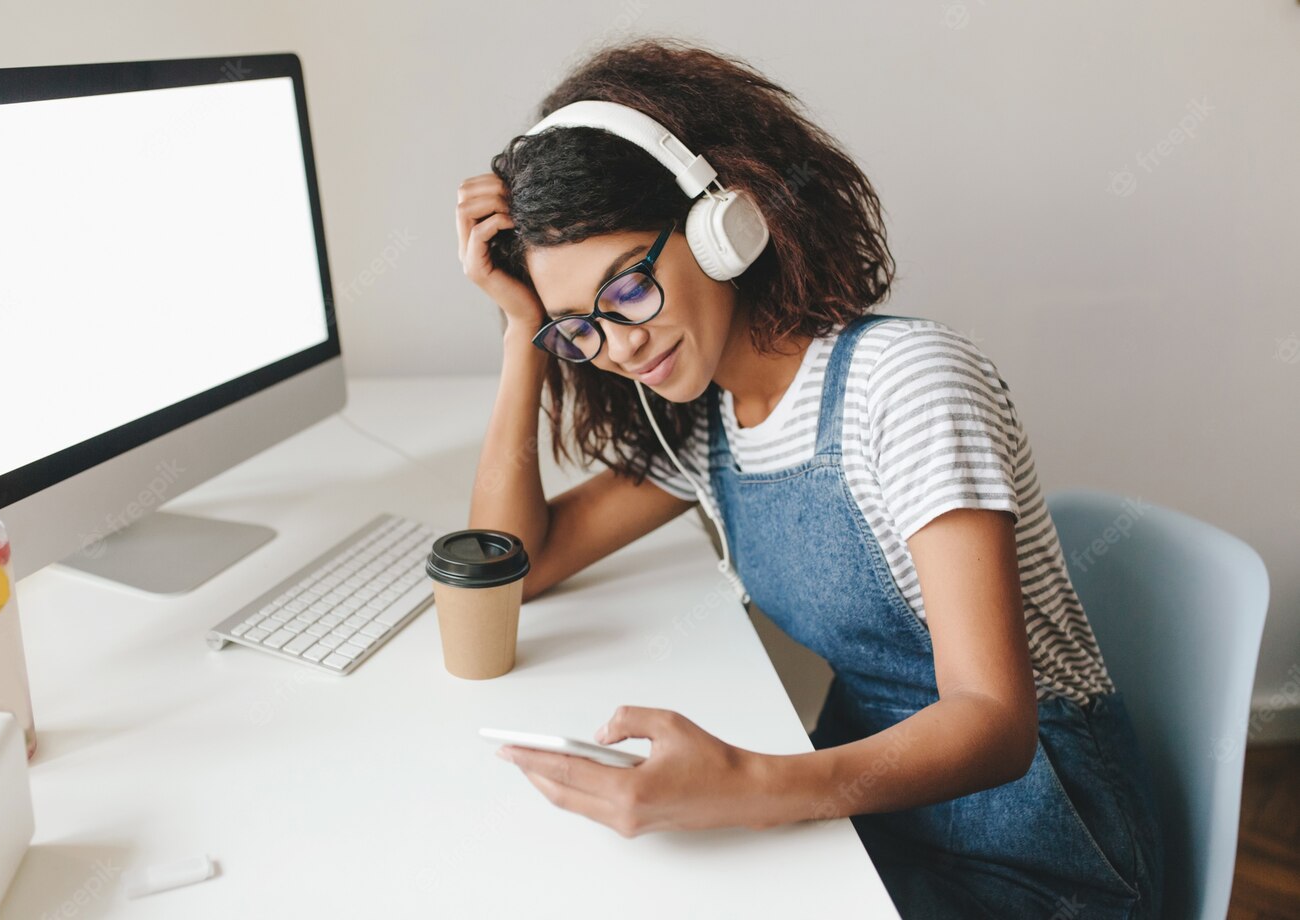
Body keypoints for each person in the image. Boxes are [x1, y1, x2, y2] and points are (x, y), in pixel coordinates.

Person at [454, 39, 1162, 919]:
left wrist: (753, 787)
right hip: (866, 819)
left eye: (629, 287)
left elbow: (994, 722)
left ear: (723, 225)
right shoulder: (709, 424)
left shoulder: (904, 387)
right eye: (580, 327)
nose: (621, 345)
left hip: (1034, 856)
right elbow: (514, 563)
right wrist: (521, 328)